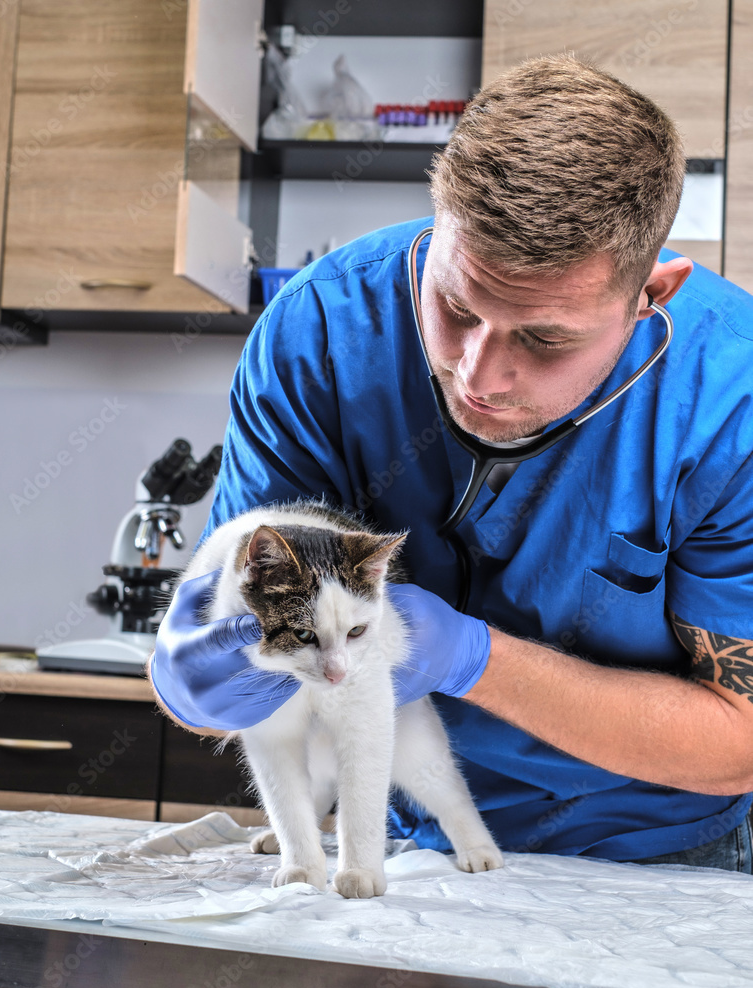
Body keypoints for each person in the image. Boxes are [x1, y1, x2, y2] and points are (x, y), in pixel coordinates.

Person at [151, 55, 753, 872]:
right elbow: (236, 631)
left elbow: (737, 741)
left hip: (657, 847)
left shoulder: (732, 399)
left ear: (653, 293)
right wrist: (203, 678)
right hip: (407, 832)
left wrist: (473, 657)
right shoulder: (318, 338)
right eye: (456, 308)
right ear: (436, 232)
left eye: (543, 339)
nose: (477, 375)